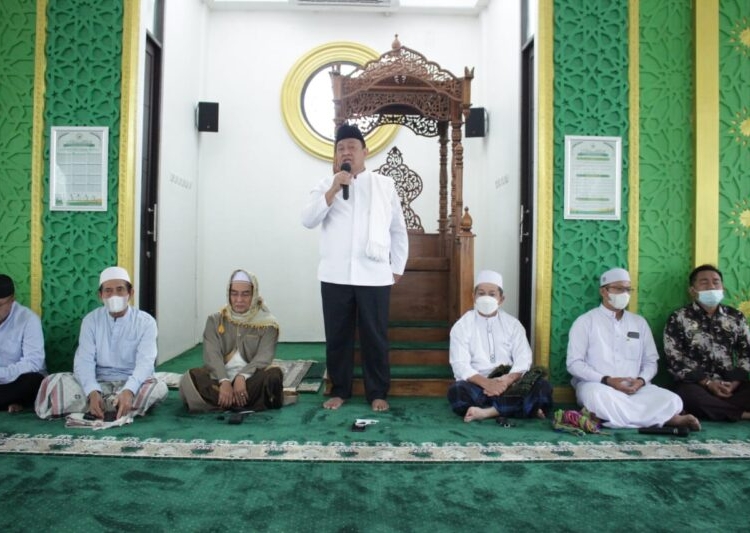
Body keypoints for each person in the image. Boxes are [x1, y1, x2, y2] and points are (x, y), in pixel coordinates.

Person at [301, 123, 408, 412]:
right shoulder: (326, 184)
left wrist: (396, 266)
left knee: (375, 336)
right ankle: (339, 390)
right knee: (338, 336)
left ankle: (377, 392)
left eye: (351, 147)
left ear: (365, 151)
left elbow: (398, 229)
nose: (346, 151)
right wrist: (335, 188)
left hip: (374, 274)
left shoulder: (384, 185)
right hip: (335, 275)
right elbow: (308, 219)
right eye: (340, 148)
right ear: (336, 156)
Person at [566, 267, 700, 430]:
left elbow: (651, 362)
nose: (624, 293)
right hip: (599, 386)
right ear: (604, 291)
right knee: (597, 398)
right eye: (618, 289)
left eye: (628, 289)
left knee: (672, 399)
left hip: (636, 389)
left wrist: (641, 381)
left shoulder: (639, 323)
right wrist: (608, 380)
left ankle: (615, 419)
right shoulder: (586, 322)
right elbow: (574, 364)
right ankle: (666, 420)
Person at [35, 266, 167, 420]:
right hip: (99, 382)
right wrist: (92, 391)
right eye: (108, 291)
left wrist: (129, 390)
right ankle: (114, 405)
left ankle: (105, 405)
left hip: (132, 383)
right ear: (100, 295)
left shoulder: (146, 322)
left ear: (130, 293)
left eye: (120, 290)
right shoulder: (91, 321)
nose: (114, 295)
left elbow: (146, 362)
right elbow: (84, 361)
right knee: (52, 382)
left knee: (158, 388)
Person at [447, 270, 553, 422]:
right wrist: (488, 383)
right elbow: (460, 365)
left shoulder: (513, 325)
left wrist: (507, 381)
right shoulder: (462, 326)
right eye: (481, 293)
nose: (486, 298)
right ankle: (523, 407)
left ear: (501, 299)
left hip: (510, 383)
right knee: (457, 392)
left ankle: (488, 412)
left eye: (492, 294)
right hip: (478, 384)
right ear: (473, 296)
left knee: (543, 387)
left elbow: (523, 359)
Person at [179, 269, 286, 412]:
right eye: (234, 293)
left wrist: (242, 377)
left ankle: (223, 402)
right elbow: (212, 355)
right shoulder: (215, 320)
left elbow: (264, 357)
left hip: (250, 380)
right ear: (228, 294)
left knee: (273, 376)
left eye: (245, 294)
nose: (239, 300)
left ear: (254, 295)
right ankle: (243, 402)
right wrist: (224, 381)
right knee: (190, 378)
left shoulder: (268, 324)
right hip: (218, 379)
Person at [664, 264, 750, 421]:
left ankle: (720, 411)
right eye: (704, 282)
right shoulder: (679, 317)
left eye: (716, 282)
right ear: (692, 291)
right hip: (696, 385)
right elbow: (674, 359)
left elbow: (747, 353)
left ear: (722, 288)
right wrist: (708, 383)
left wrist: (734, 383)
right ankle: (742, 414)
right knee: (687, 396)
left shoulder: (735, 317)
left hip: (730, 384)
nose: (711, 286)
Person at [0, 274, 47, 412]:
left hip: (17, 381)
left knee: (34, 381)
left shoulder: (28, 319)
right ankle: (11, 404)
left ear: (12, 300)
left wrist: (2, 374)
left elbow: (33, 363)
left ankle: (13, 402)